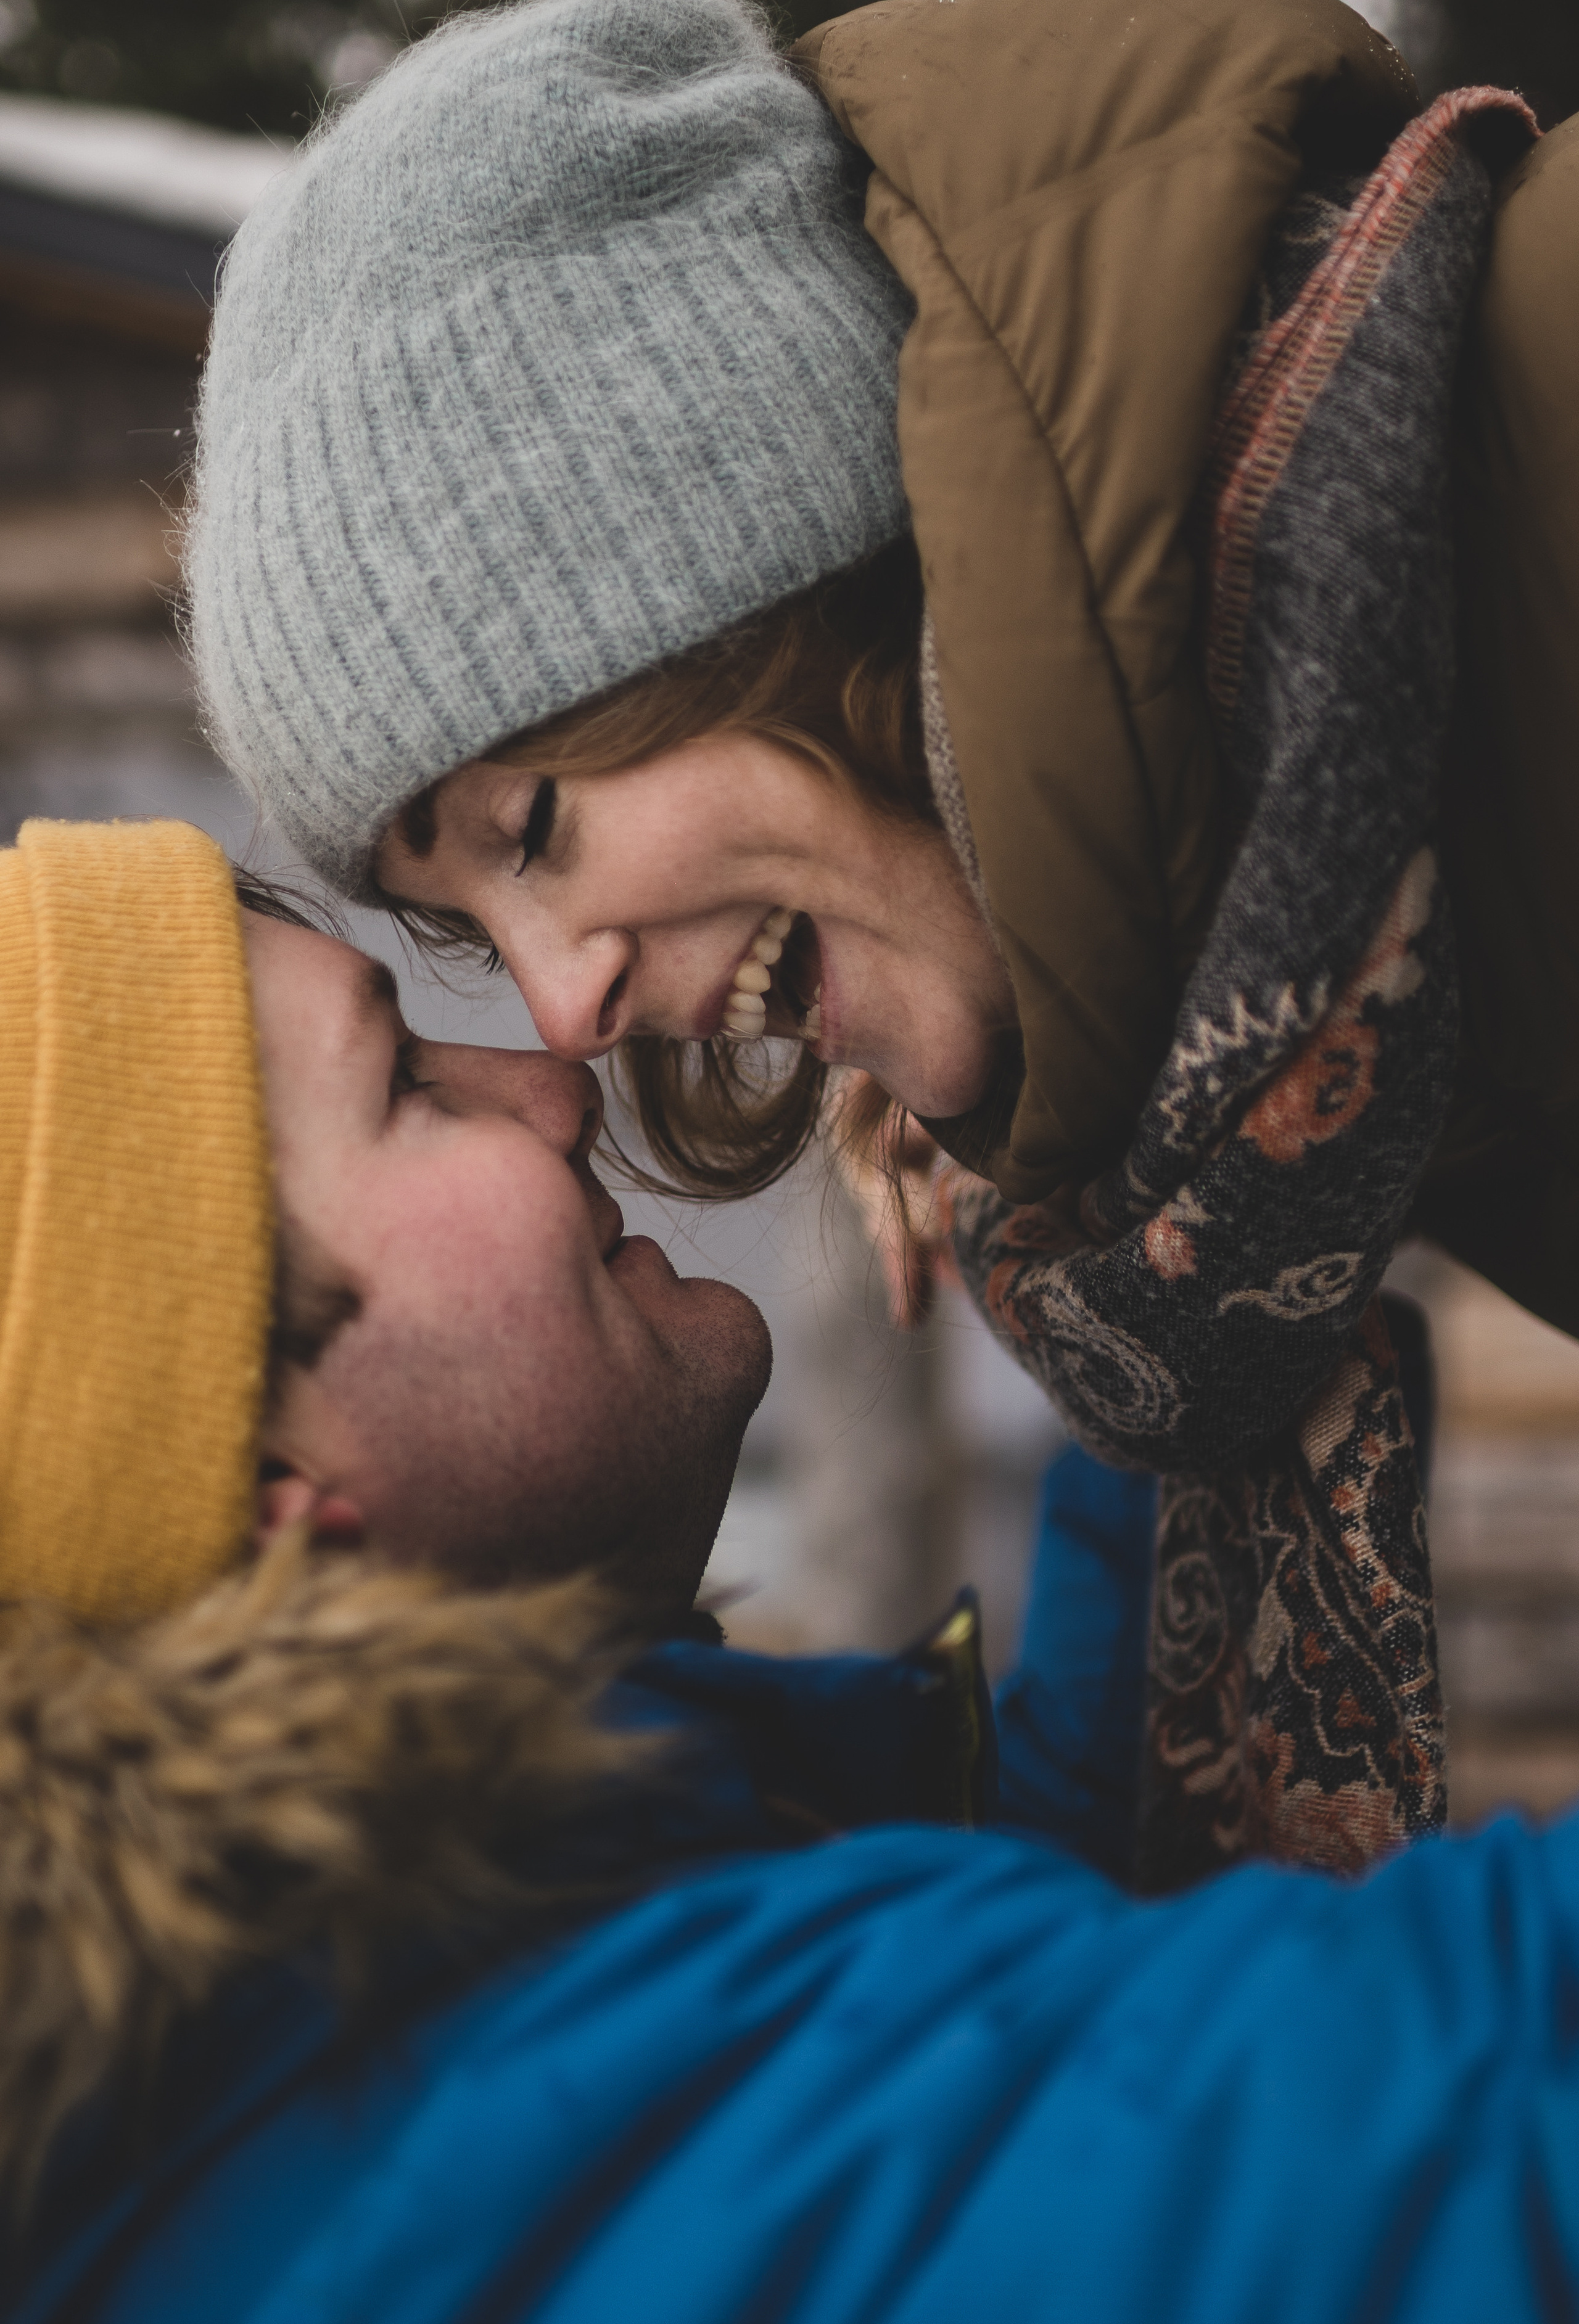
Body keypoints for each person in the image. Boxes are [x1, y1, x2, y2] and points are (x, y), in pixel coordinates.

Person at [179, 0, 1579, 1883]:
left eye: (536, 825)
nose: (568, 1018)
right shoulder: (1292, 993)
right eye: (475, 934)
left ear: (765, 569)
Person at [6, 811, 1579, 2324]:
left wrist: (1112, 1214)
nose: (552, 1082)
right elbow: (1459, 2111)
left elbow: (1064, 1945)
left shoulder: (371, 2023)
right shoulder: (514, 2147)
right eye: (409, 1085)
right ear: (271, 1496)